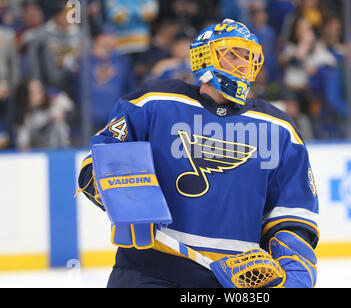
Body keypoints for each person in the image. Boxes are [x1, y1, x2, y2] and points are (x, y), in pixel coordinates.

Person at [77, 19, 319, 288]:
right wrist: (122, 198)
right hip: (146, 271)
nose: (243, 64)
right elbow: (98, 161)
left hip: (231, 279)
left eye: (249, 56)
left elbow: (292, 214)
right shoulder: (153, 102)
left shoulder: (280, 129)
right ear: (204, 57)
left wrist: (293, 270)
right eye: (232, 54)